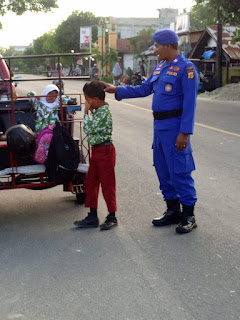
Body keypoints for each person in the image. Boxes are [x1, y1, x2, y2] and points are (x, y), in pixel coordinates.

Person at [104, 29, 198, 234]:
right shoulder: (160, 68)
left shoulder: (186, 68)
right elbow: (143, 89)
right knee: (163, 169)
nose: (155, 50)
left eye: (156, 46)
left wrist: (185, 132)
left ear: (166, 46)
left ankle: (189, 215)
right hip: (159, 127)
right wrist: (117, 90)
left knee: (180, 170)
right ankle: (172, 210)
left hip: (175, 127)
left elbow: (190, 103)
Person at [74, 81, 117, 231]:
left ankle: (112, 216)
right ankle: (92, 215)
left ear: (95, 99)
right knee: (91, 183)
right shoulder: (98, 111)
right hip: (97, 150)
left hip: (105, 151)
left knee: (107, 185)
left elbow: (89, 129)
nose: (87, 102)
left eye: (87, 99)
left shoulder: (104, 112)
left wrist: (85, 112)